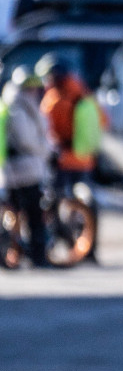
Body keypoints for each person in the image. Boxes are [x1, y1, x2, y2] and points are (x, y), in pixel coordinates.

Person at [0, 66, 52, 267]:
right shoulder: (18, 109)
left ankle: (20, 251)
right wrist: (46, 151)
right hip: (23, 170)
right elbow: (27, 141)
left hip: (19, 169)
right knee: (32, 214)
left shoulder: (19, 105)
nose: (34, 91)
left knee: (19, 213)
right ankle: (35, 254)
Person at [36, 55, 104, 189]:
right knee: (82, 202)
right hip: (86, 159)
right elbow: (104, 120)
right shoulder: (85, 93)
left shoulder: (54, 100)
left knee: (59, 199)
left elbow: (44, 129)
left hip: (63, 160)